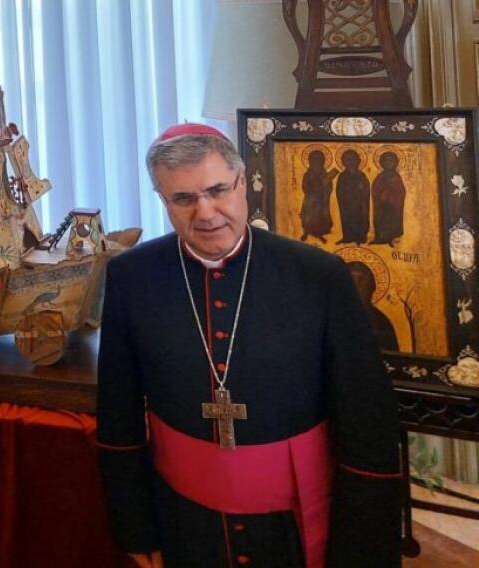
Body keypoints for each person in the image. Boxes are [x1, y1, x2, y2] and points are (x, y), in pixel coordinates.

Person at [97, 124, 402, 568]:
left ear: (243, 183)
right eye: (183, 199)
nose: (205, 212)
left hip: (295, 520)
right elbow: (118, 414)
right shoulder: (132, 277)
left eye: (217, 189)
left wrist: (362, 546)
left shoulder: (318, 277)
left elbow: (366, 421)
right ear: (164, 201)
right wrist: (135, 526)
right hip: (184, 516)